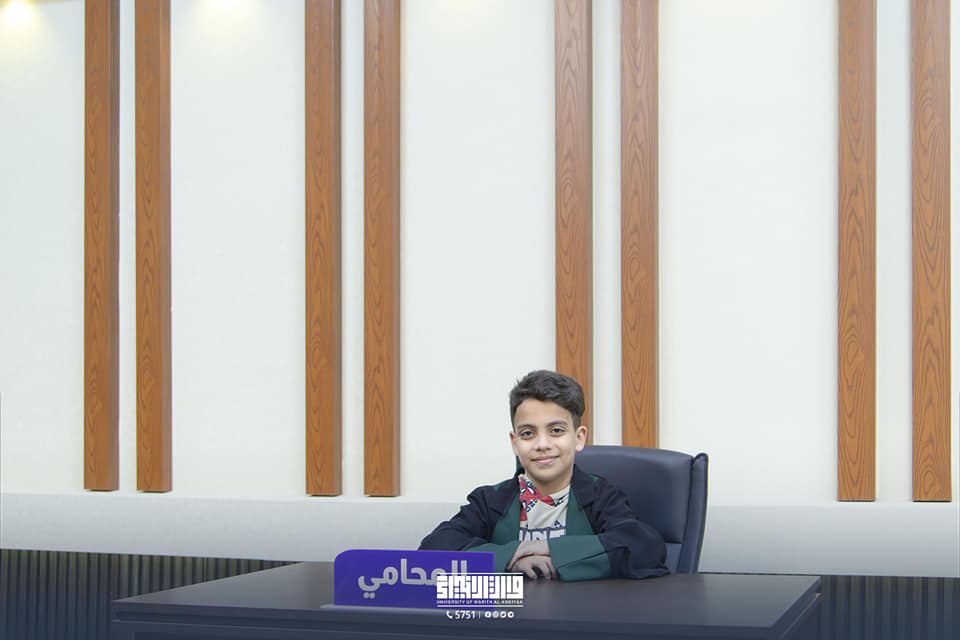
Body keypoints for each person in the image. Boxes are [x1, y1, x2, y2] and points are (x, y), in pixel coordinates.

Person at [418, 370, 668, 581]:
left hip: (580, 615)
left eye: (556, 430)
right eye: (528, 433)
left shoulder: (602, 496)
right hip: (510, 615)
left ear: (579, 438)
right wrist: (511, 557)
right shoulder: (490, 500)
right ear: (515, 443)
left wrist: (550, 549)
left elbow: (645, 547)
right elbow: (432, 551)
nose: (542, 444)